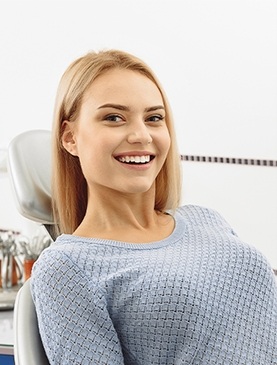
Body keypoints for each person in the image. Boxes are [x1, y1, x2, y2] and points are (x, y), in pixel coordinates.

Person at [31, 49, 277, 364]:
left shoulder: (206, 220)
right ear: (70, 137)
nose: (141, 135)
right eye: (113, 117)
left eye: (154, 118)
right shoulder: (67, 267)